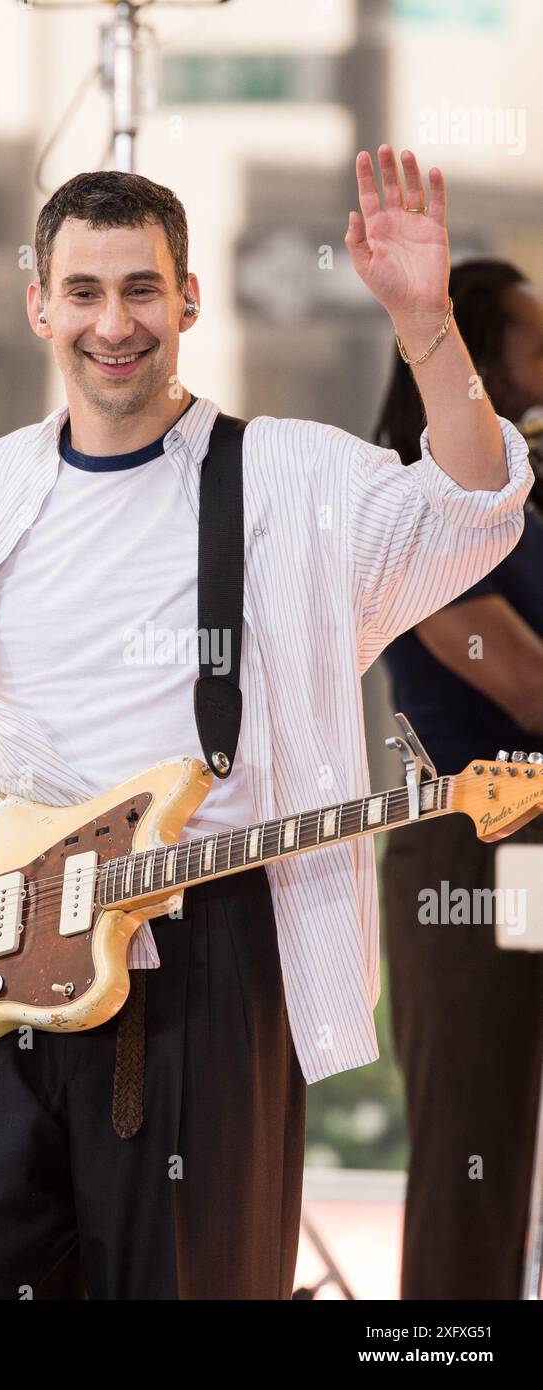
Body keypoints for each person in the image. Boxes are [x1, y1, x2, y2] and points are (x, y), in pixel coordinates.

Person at [0, 150, 535, 1300]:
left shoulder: (288, 476)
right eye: (84, 292)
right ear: (38, 304)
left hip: (206, 951)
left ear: (187, 299)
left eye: (142, 289)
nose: (113, 323)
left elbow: (473, 504)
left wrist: (427, 324)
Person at [375, 259, 543, 1300]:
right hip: (470, 846)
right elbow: (523, 683)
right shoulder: (413, 503)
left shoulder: (525, 505)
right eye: (533, 334)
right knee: (471, 1146)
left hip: (527, 843)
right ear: (474, 351)